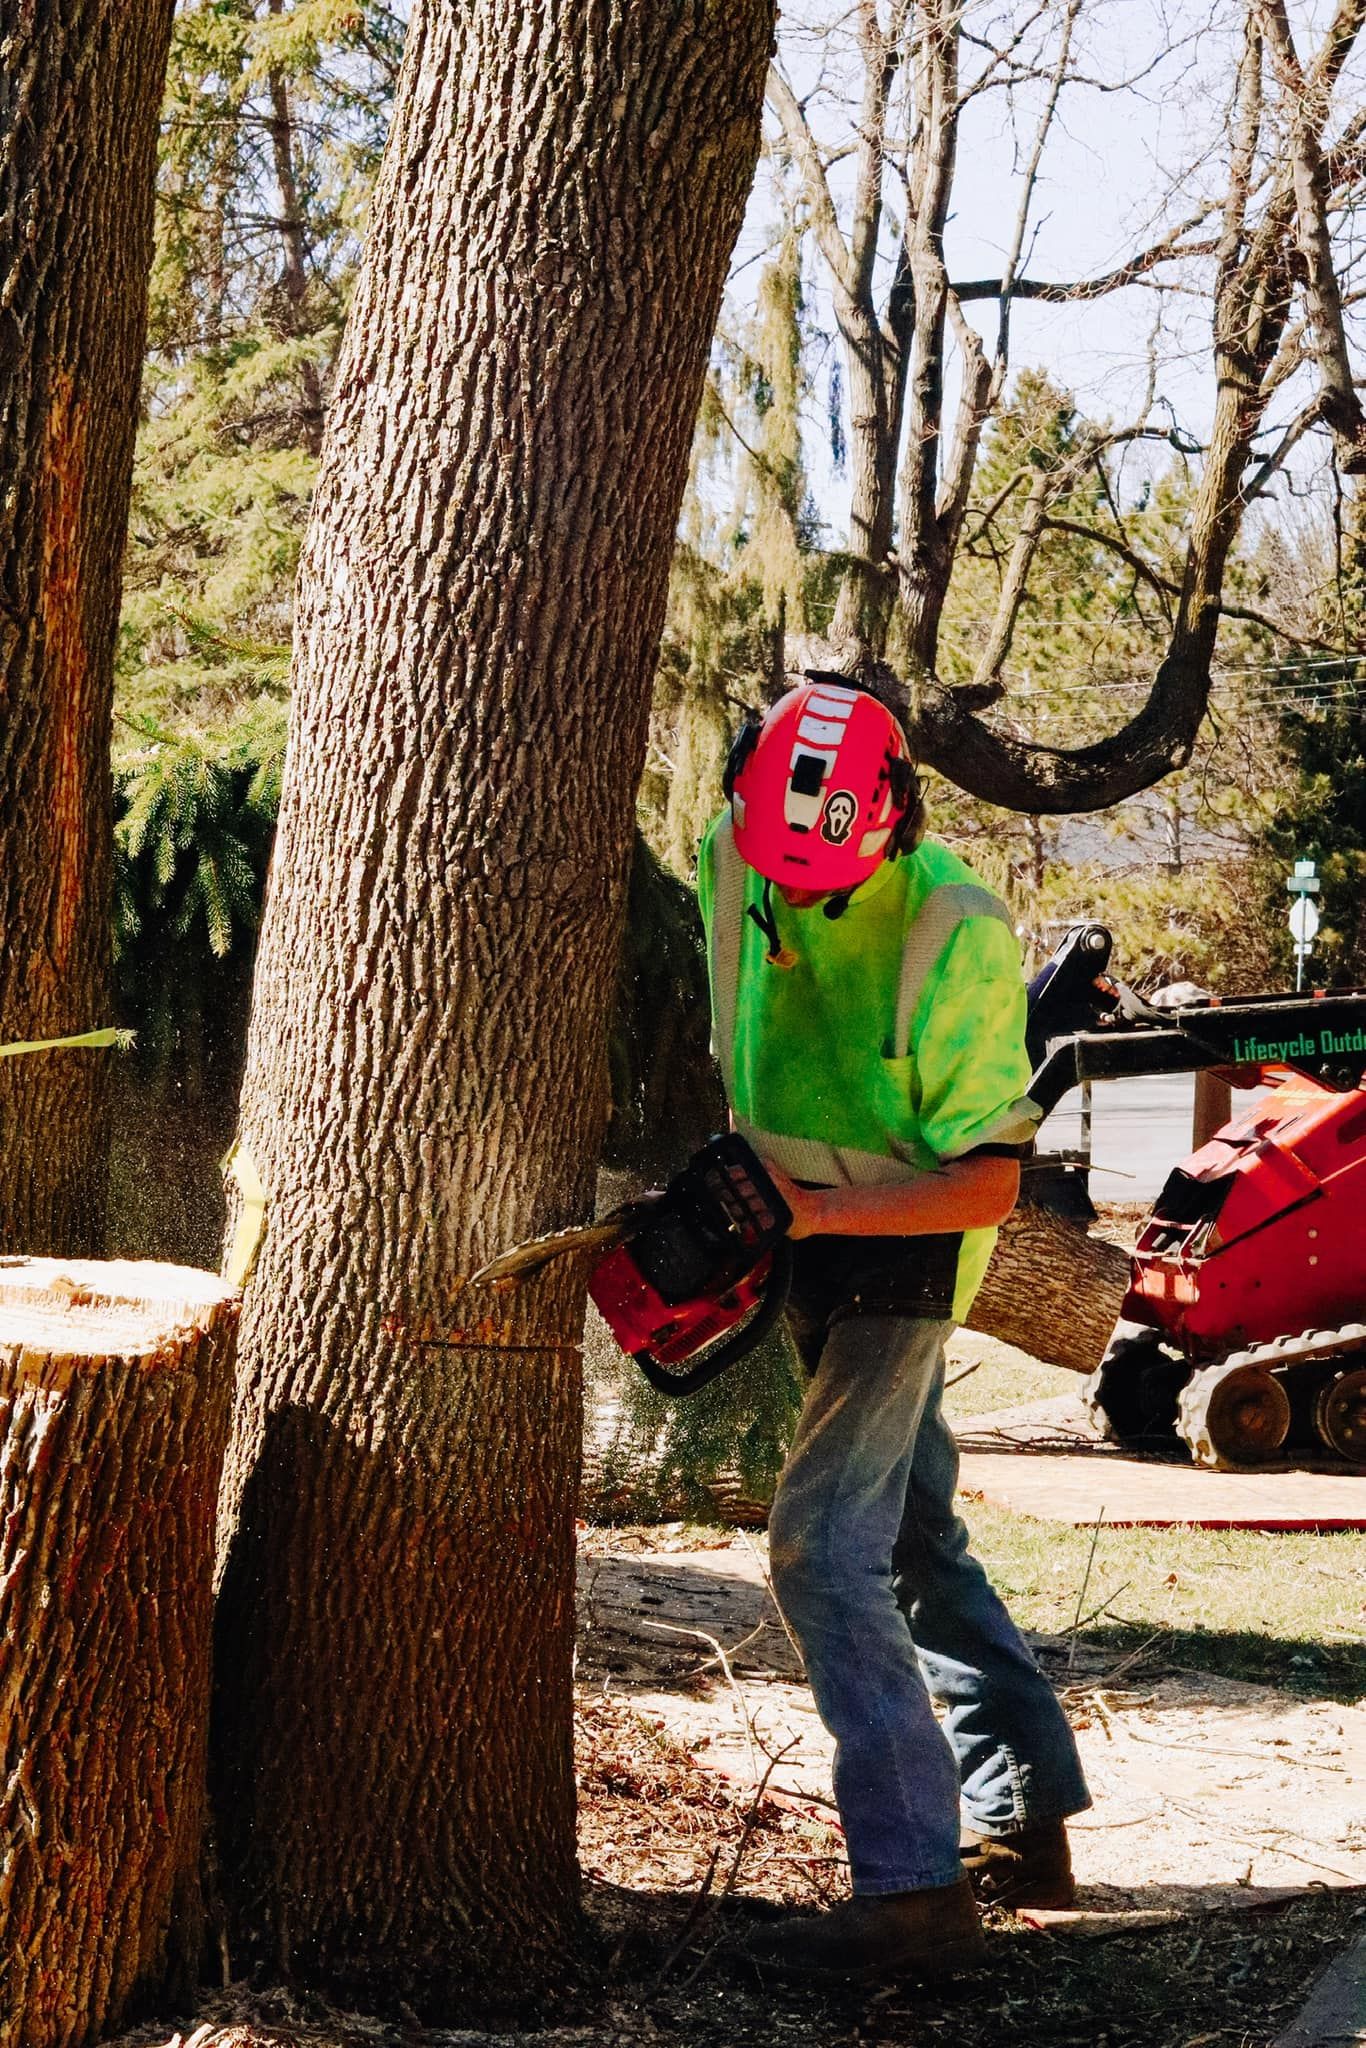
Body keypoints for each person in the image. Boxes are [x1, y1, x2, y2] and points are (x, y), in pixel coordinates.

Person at [695, 675, 1091, 1985]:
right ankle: (1022, 1814)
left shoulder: (952, 925)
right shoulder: (741, 843)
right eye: (777, 878)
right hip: (791, 1218)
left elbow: (982, 1176)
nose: (792, 902)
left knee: (818, 1547)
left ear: (891, 821)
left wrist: (816, 1210)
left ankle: (914, 1888)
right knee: (911, 1527)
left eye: (823, 884)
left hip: (909, 1241)